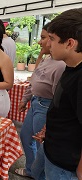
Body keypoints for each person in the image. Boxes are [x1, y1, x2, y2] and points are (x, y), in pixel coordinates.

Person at [14, 23, 66, 178]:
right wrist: (26, 99)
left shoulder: (61, 65)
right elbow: (35, 78)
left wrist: (48, 123)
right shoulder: (48, 59)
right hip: (36, 103)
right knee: (25, 136)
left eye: (45, 38)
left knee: (41, 145)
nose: (41, 42)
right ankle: (31, 169)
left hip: (46, 107)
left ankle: (37, 174)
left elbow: (58, 99)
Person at [42, 8, 82, 180]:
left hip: (66, 168)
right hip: (56, 156)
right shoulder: (70, 67)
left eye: (52, 39)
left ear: (70, 43)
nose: (48, 44)